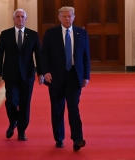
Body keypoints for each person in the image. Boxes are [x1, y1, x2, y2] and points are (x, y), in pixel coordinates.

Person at [41, 6, 90, 151]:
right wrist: (46, 72)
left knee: (73, 107)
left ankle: (77, 139)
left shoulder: (81, 33)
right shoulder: (51, 33)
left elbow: (86, 56)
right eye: (64, 16)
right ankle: (59, 138)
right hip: (55, 76)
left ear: (74, 17)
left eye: (70, 16)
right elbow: (44, 55)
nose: (67, 19)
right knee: (57, 109)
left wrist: (86, 76)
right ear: (59, 18)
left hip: (75, 76)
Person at [0, 8, 44, 141]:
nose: (20, 19)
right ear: (13, 19)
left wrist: (41, 73)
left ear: (26, 19)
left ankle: (21, 131)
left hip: (27, 75)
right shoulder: (6, 34)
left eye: (22, 17)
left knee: (25, 103)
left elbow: (39, 55)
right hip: (10, 74)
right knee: (11, 101)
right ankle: (13, 121)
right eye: (18, 17)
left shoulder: (33, 35)